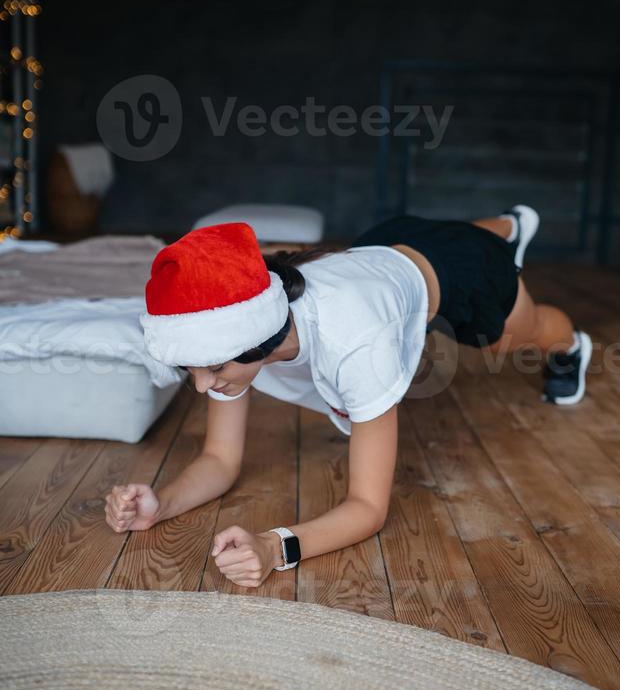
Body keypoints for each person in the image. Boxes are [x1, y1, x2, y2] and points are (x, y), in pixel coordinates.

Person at [104, 207, 592, 588]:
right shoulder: (230, 333)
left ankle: (562, 332)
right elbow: (219, 460)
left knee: (523, 336)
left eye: (214, 370)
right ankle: (505, 225)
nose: (202, 386)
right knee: (428, 235)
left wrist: (275, 549)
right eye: (192, 370)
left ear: (258, 337)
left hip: (462, 272)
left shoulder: (359, 344)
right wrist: (161, 503)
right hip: (381, 247)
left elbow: (368, 507)